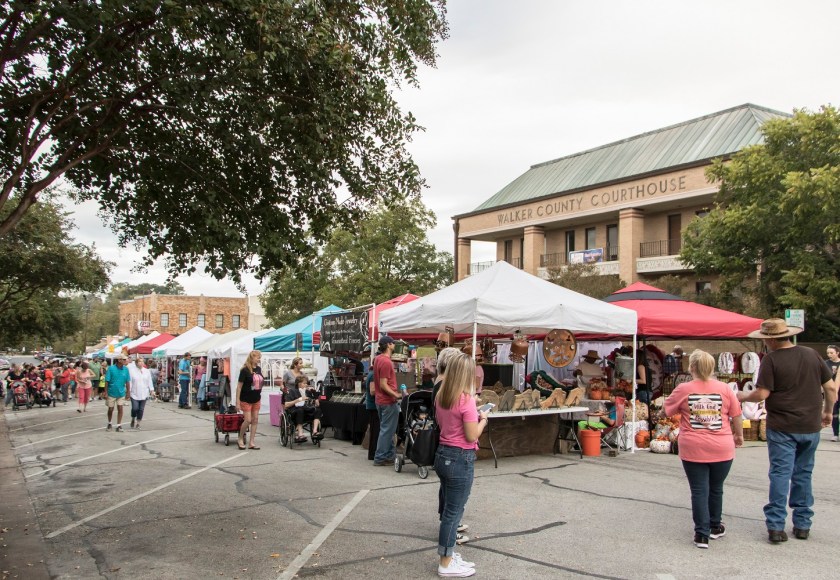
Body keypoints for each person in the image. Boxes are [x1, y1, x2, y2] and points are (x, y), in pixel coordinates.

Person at [737, 318, 835, 543]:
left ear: (770, 340)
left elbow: (762, 394)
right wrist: (828, 411)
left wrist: (743, 396)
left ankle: (776, 527)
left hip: (782, 426)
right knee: (803, 473)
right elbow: (829, 387)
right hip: (810, 425)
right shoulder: (811, 354)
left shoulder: (771, 360)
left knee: (781, 474)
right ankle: (802, 524)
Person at [664, 349, 743, 548]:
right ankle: (715, 526)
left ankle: (701, 534)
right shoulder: (725, 389)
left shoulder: (683, 389)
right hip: (722, 447)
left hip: (693, 446)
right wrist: (739, 435)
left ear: (692, 367)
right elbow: (736, 415)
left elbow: (667, 410)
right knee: (716, 488)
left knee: (699, 490)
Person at [434, 351, 486, 578]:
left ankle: (449, 556)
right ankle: (445, 562)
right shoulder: (466, 402)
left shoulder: (442, 396)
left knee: (449, 511)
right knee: (453, 514)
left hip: (443, 454)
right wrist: (483, 420)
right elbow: (472, 435)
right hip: (460, 458)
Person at [432, 346, 471, 545]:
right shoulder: (444, 387)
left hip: (446, 445)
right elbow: (471, 434)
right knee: (453, 502)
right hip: (454, 447)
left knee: (448, 491)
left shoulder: (440, 385)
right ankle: (449, 539)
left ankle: (449, 526)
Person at [372, 336, 401, 466]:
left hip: (380, 400)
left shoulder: (377, 359)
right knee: (387, 430)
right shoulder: (386, 362)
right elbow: (384, 384)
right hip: (388, 400)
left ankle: (389, 455)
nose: (394, 345)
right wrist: (396, 394)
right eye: (393, 343)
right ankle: (380, 457)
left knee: (387, 430)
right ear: (389, 345)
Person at [235, 350, 264, 450]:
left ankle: (252, 442)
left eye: (259, 357)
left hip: (256, 397)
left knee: (255, 419)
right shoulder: (245, 370)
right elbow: (239, 387)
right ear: (252, 358)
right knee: (248, 420)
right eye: (257, 357)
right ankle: (240, 438)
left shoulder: (259, 369)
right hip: (246, 398)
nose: (259, 359)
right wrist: (237, 402)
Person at [283, 374, 324, 443]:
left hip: (307, 412)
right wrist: (299, 400)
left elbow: (317, 404)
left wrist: (314, 394)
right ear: (299, 384)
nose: (306, 385)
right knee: (300, 410)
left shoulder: (308, 392)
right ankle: (300, 433)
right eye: (304, 383)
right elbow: (286, 405)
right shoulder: (292, 391)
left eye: (306, 383)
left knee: (318, 410)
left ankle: (315, 431)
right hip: (295, 412)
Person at [105, 355, 131, 432]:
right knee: (110, 409)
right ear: (119, 360)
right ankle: (109, 423)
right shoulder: (111, 368)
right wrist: (105, 392)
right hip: (111, 392)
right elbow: (107, 381)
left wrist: (128, 392)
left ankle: (119, 425)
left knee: (120, 408)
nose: (126, 361)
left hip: (121, 392)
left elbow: (127, 381)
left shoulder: (126, 369)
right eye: (124, 359)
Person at [129, 358, 155, 429]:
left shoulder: (146, 371)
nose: (141, 363)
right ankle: (133, 418)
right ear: (136, 363)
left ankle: (138, 423)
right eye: (139, 361)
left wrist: (152, 390)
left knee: (141, 409)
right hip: (134, 393)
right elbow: (130, 382)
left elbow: (149, 381)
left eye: (142, 361)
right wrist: (128, 392)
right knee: (135, 408)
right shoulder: (132, 371)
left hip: (144, 393)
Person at [364, 363, 379, 461]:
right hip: (373, 406)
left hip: (372, 405)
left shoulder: (371, 373)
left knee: (375, 430)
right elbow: (373, 391)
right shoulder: (373, 374)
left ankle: (373, 453)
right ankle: (373, 454)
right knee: (375, 431)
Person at [826, 345, 840, 442]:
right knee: (834, 412)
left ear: (837, 353)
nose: (829, 355)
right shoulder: (825, 363)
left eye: (831, 353)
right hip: (831, 389)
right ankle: (835, 434)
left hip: (838, 388)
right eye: (828, 353)